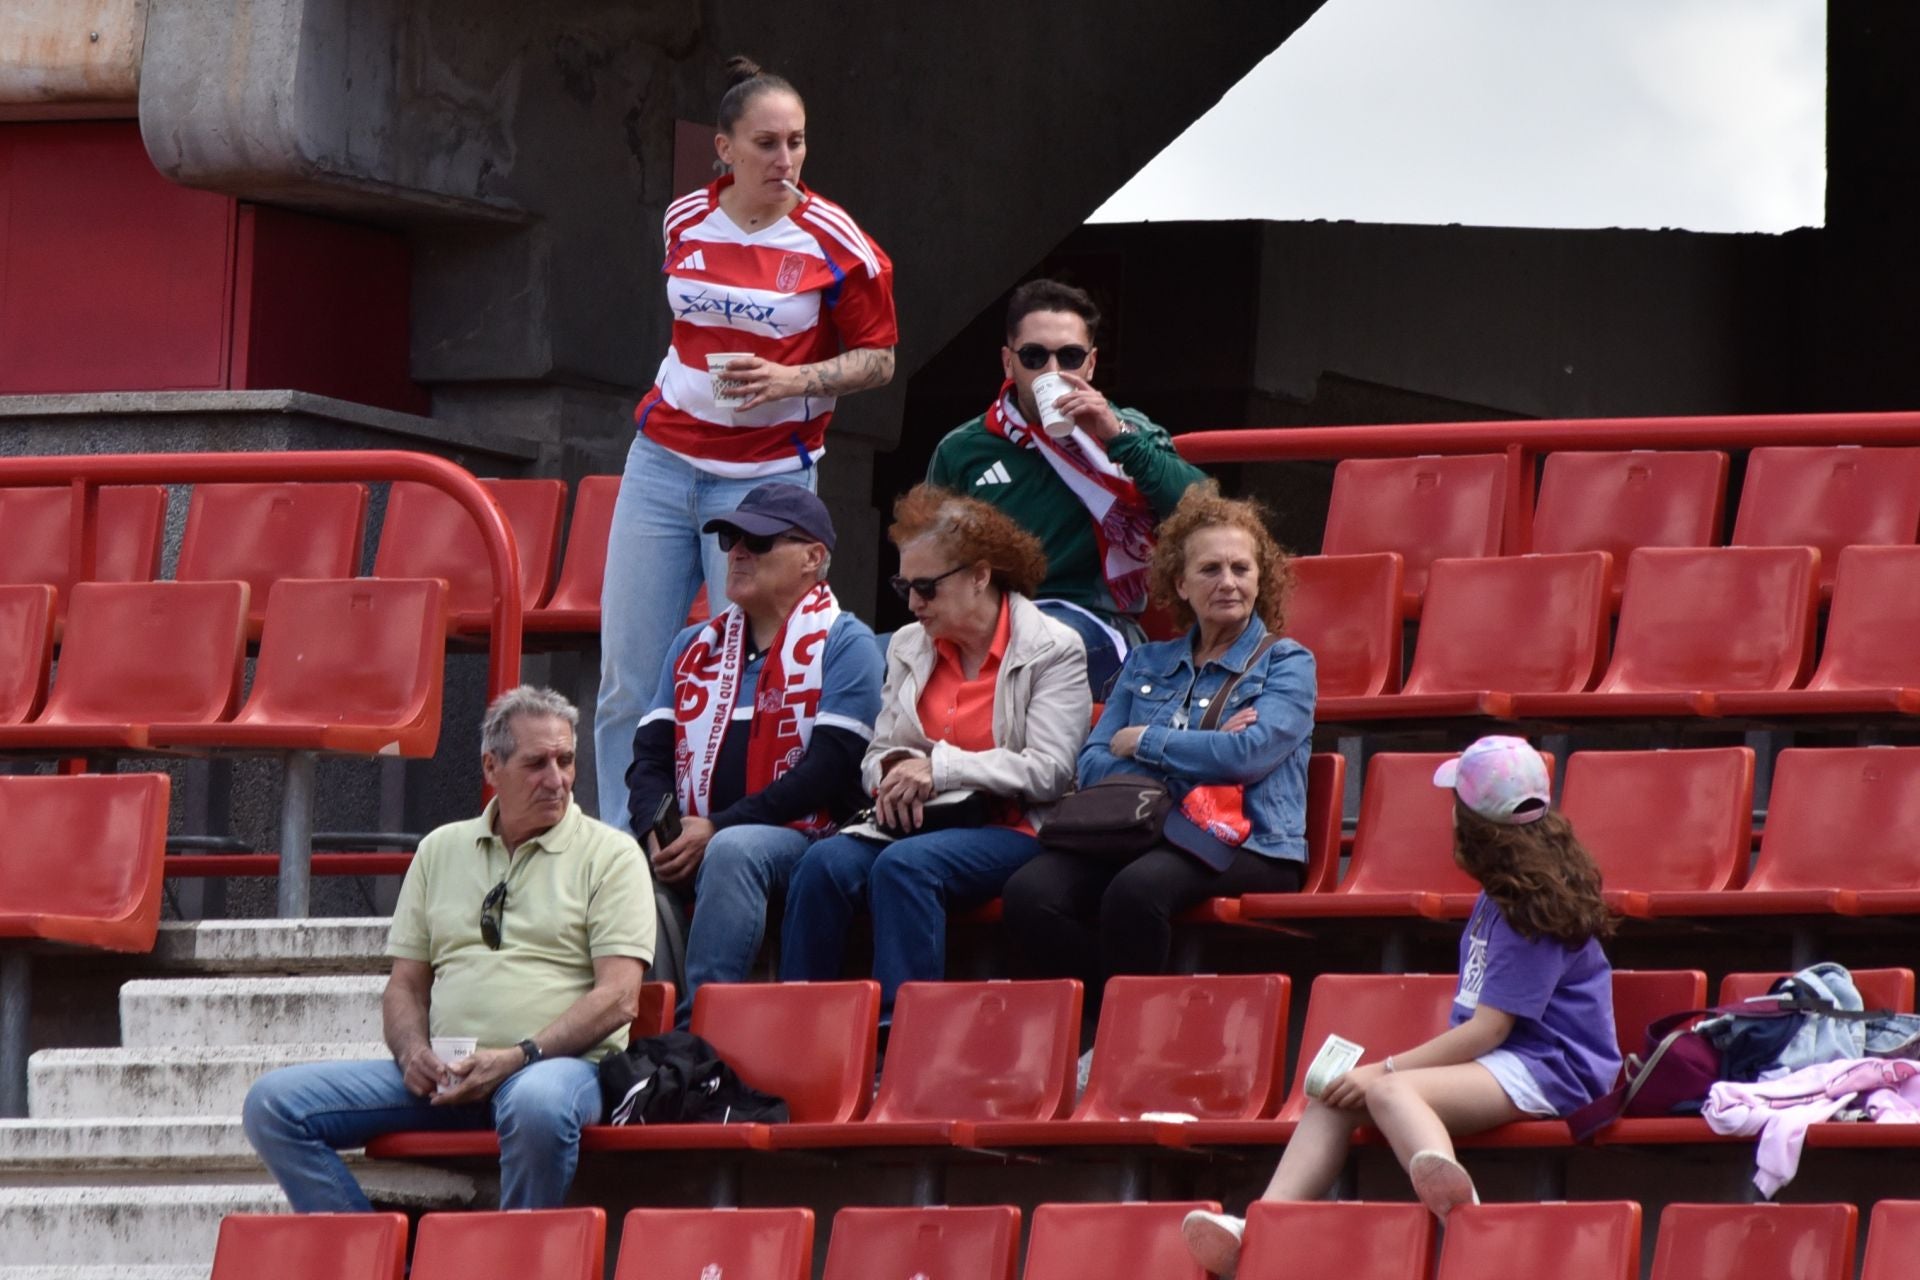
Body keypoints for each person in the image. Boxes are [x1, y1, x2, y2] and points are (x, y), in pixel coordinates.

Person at [1181, 736, 1621, 1276]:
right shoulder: (1500, 893)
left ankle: (1465, 1219)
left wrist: (1386, 1069)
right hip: (1508, 1062)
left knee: (1388, 1088)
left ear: (1472, 826)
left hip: (1554, 1069)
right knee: (1334, 1096)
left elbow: (1488, 1030)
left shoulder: (1528, 906)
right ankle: (1262, 1225)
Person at [596, 54, 898, 836]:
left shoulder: (836, 237)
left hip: (762, 480)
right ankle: (616, 856)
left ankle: (733, 837)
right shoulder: (684, 217)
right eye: (766, 143)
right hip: (662, 460)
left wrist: (790, 379)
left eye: (797, 142)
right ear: (724, 149)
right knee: (626, 682)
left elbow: (880, 358)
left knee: (752, 672)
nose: (785, 160)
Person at [242, 687, 655, 1211]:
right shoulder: (440, 849)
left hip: (558, 1068)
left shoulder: (612, 855)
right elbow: (406, 985)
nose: (557, 780)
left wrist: (516, 1057)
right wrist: (413, 1053)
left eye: (566, 760)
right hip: (450, 1073)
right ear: (491, 766)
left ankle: (514, 1265)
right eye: (536, 764)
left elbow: (620, 997)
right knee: (273, 1106)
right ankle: (369, 1260)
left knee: (536, 1104)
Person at [1002, 486, 1315, 1016]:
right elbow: (1094, 761)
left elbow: (1249, 755)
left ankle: (1124, 1041)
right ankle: (1101, 1024)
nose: (1229, 582)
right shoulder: (1147, 661)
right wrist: (1205, 749)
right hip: (1147, 830)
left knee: (1136, 892)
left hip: (1250, 841)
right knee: (1030, 893)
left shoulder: (1287, 663)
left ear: (1261, 580)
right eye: (1211, 569)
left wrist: (1146, 742)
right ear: (1181, 584)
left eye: (1242, 568)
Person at [779, 485, 1090, 1014]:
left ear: (980, 576)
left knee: (906, 867)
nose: (912, 603)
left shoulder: (1053, 647)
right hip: (920, 822)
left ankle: (902, 1042)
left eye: (926, 587)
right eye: (904, 585)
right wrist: (894, 773)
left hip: (1014, 826)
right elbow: (879, 750)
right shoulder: (907, 643)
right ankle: (798, 1030)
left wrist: (939, 769)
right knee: (822, 864)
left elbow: (1051, 772)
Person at [624, 484, 883, 1024]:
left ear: (813, 558)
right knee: (620, 861)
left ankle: (704, 1029)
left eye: (759, 541)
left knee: (734, 851)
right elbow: (648, 759)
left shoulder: (845, 642)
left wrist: (715, 826)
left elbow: (828, 770)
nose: (738, 551)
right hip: (703, 832)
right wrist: (658, 827)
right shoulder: (693, 645)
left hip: (810, 836)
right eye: (732, 539)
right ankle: (645, 1028)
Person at [927, 278, 1206, 695]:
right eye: (1034, 356)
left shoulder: (1129, 430)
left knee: (1039, 648)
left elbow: (1205, 513)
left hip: (1094, 621)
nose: (1053, 372)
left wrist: (1116, 438)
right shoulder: (964, 447)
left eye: (1070, 356)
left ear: (1091, 365)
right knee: (886, 655)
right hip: (987, 620)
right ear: (1009, 362)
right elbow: (927, 556)